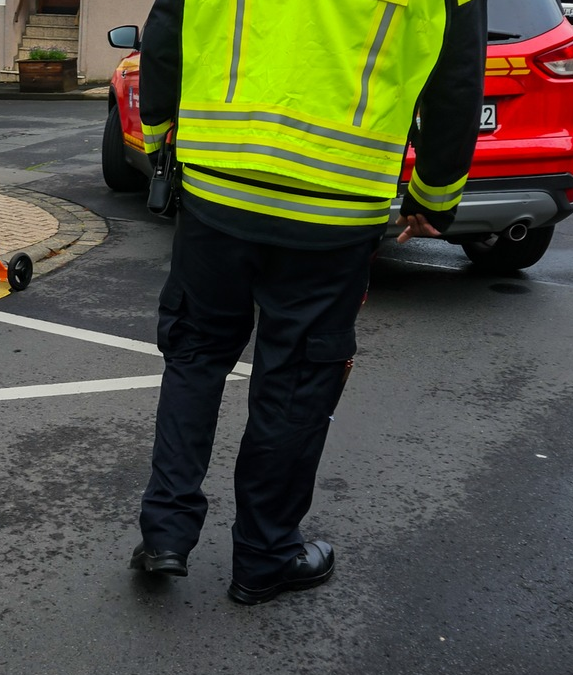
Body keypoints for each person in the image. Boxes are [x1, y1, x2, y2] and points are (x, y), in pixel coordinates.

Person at [129, 0, 486, 605]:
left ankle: (165, 535)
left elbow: (167, 30)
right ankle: (265, 556)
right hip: (337, 200)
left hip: (220, 181)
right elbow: (455, 78)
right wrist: (436, 195)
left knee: (195, 354)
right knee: (296, 378)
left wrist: (161, 132)